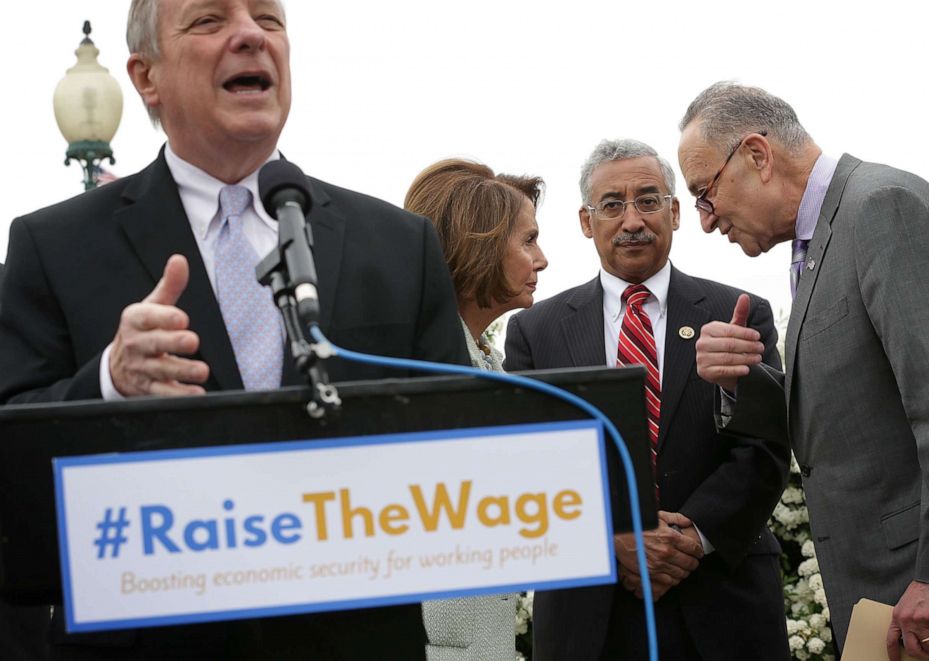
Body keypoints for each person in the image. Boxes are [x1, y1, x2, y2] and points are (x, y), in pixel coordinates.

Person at [0, 1, 467, 659]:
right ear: (146, 76)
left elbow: (461, 445)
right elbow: (11, 465)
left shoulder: (397, 245)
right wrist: (108, 382)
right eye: (209, 20)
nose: (251, 34)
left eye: (269, 20)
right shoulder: (53, 245)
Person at [677, 81, 929, 659]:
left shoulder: (880, 208)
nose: (705, 219)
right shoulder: (817, 242)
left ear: (756, 155)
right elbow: (846, 416)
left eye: (704, 192)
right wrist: (741, 383)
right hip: (887, 598)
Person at [503, 139, 790, 660]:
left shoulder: (739, 314)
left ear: (676, 212)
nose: (632, 219)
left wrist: (691, 538)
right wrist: (610, 540)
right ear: (587, 222)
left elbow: (767, 446)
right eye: (612, 204)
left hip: (723, 600)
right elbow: (528, 466)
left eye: (649, 200)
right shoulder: (534, 334)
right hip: (590, 617)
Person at [404, 157, 548, 660]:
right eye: (528, 240)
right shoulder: (419, 370)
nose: (543, 258)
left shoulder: (486, 359)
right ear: (480, 246)